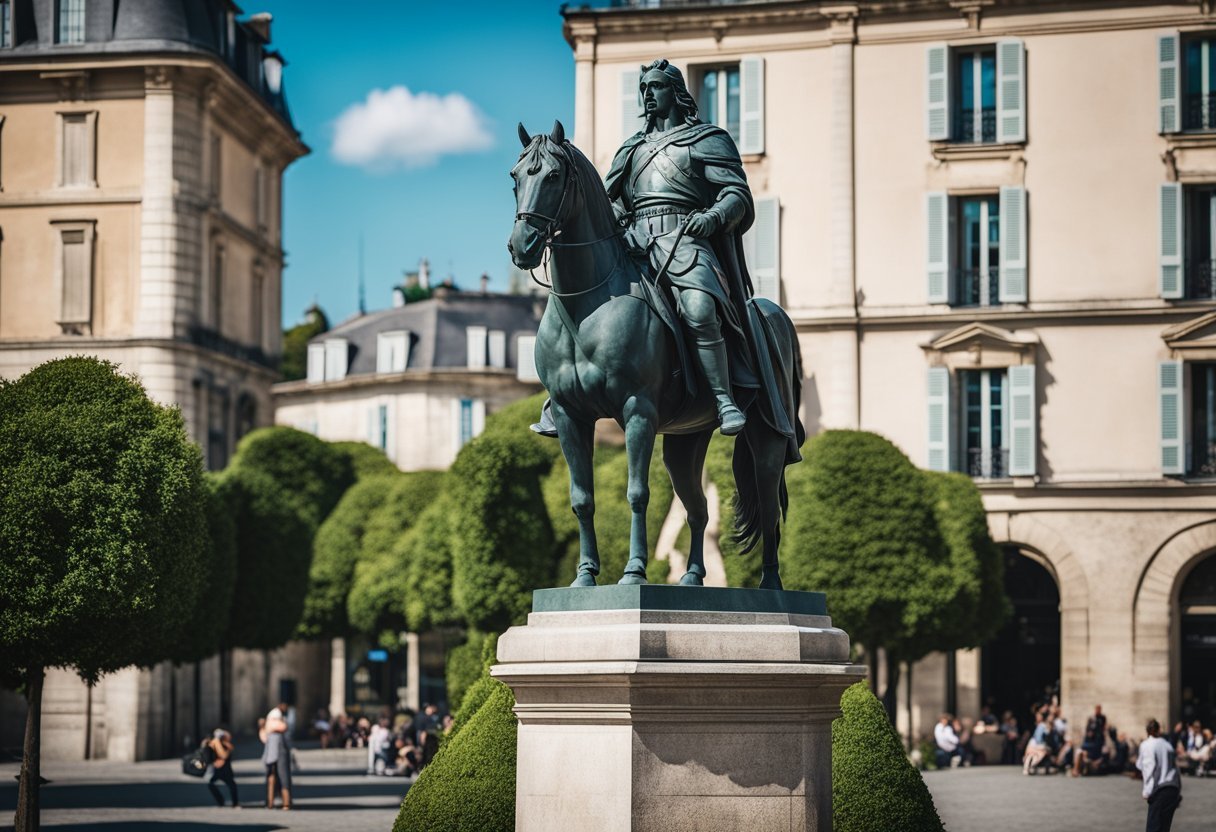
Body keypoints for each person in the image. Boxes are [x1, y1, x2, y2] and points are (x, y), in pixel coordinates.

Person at [532, 58, 761, 441]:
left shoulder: (707, 139)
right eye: (644, 89)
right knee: (586, 304)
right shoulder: (631, 149)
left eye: (655, 86)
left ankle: (723, 399)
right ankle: (562, 395)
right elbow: (612, 204)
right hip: (633, 244)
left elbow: (736, 193)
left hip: (685, 241)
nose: (648, 94)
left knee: (700, 308)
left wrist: (714, 217)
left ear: (676, 91)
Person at [1138, 718, 1182, 831]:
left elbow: (1149, 768)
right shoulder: (1167, 745)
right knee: (1164, 828)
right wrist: (1178, 792)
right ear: (1158, 731)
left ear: (1147, 731)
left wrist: (1147, 791)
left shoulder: (1147, 745)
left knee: (1153, 828)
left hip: (1159, 790)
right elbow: (1175, 769)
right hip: (1172, 788)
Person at [260, 705, 292, 810]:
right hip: (274, 750)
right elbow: (264, 737)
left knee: (282, 776)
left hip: (278, 750)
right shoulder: (274, 731)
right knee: (272, 776)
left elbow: (282, 727)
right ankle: (271, 802)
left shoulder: (278, 731)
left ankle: (284, 802)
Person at [205, 728, 239, 808]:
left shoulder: (225, 744)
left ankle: (234, 803)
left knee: (232, 785)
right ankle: (221, 801)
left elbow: (225, 755)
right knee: (211, 784)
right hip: (216, 769)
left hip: (225, 770)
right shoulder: (212, 744)